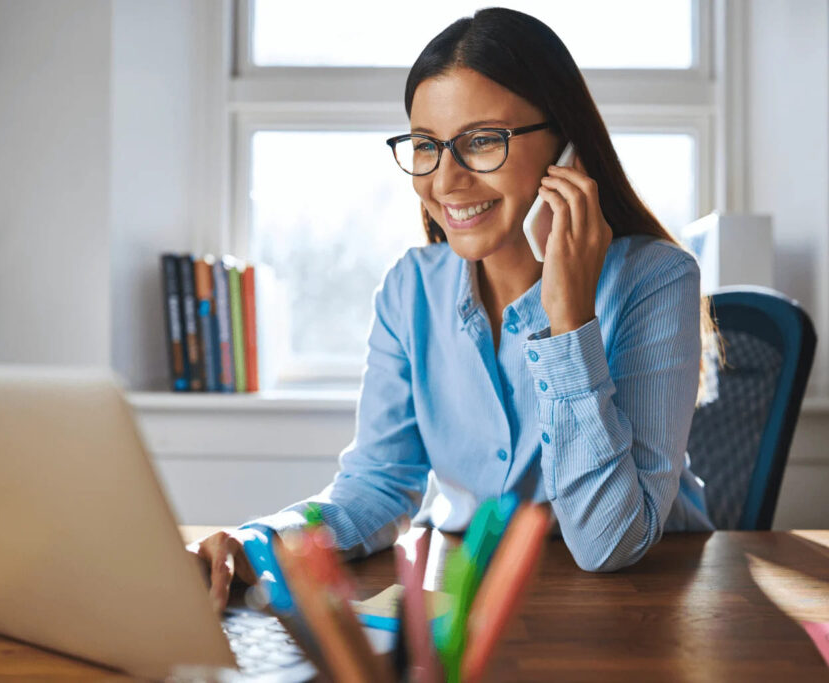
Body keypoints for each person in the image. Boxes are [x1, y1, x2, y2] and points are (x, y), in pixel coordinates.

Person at [190, 7, 715, 613]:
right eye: (426, 146)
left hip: (646, 603)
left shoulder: (654, 279)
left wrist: (569, 318)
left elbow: (607, 544)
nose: (446, 180)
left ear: (566, 147)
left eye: (483, 141)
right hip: (472, 599)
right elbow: (380, 486)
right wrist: (259, 541)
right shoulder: (411, 289)